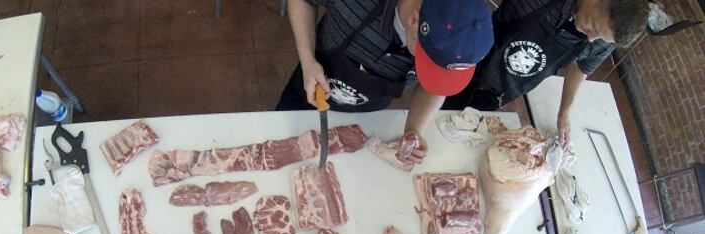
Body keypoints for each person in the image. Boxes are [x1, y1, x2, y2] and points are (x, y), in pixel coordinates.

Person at [277, 0, 494, 158]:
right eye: (428, 63)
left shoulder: (462, 32)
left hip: (368, 115)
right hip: (307, 91)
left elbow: (436, 88)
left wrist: (414, 129)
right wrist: (307, 59)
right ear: (414, 21)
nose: (429, 70)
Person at [442, 0, 649, 147]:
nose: (592, 38)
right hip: (474, 58)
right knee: (439, 115)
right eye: (593, 26)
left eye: (601, 37)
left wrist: (564, 110)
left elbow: (582, 66)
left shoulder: (603, 37)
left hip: (506, 87)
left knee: (462, 139)